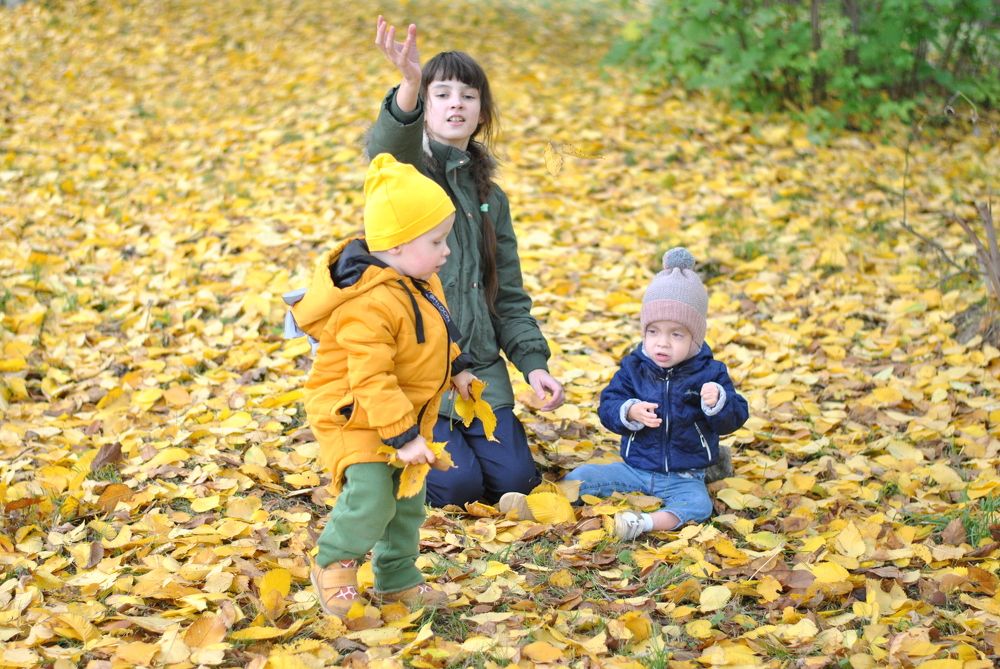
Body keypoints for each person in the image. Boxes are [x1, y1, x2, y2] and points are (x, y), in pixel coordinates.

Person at [369, 16, 565, 508]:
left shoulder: (490, 199)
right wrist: (410, 85)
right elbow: (386, 148)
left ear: (481, 114)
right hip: (416, 374)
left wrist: (533, 364)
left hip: (478, 370)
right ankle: (381, 447)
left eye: (468, 95)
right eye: (443, 94)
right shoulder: (407, 176)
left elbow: (509, 295)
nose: (456, 102)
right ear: (427, 107)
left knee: (517, 482)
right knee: (457, 488)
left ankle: (470, 446)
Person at [290, 153, 475, 617]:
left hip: (400, 415)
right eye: (436, 241)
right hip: (353, 414)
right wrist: (404, 436)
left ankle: (396, 579)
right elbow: (370, 377)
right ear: (395, 247)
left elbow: (437, 333)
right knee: (372, 496)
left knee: (407, 502)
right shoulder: (368, 303)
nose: (445, 250)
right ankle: (333, 565)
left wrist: (459, 368)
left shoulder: (420, 279)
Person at [499, 248, 749, 540]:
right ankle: (538, 507)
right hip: (635, 468)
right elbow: (608, 405)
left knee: (698, 505)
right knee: (584, 477)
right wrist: (628, 411)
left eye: (676, 334)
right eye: (653, 332)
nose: (662, 343)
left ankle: (642, 522)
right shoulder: (635, 367)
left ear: (696, 337)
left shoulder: (710, 373)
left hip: (684, 475)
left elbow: (736, 415)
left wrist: (718, 402)